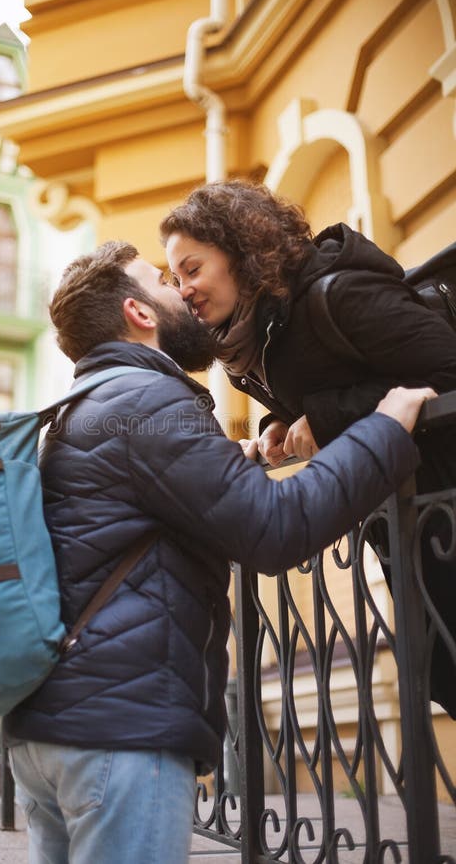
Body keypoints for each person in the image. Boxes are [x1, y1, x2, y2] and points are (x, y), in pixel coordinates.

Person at [4, 239, 433, 864]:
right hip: (119, 735)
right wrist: (383, 429)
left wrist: (219, 470)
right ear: (139, 313)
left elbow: (126, 524)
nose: (182, 290)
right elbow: (274, 527)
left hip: (49, 732)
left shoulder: (82, 409)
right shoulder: (148, 403)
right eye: (162, 281)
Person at [160, 179, 456, 717]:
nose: (183, 290)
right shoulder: (252, 341)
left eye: (193, 269)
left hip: (444, 498)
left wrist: (324, 418)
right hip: (409, 519)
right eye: (174, 277)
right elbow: (347, 380)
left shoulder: (336, 292)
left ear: (240, 252)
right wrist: (285, 421)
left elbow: (447, 368)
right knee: (442, 668)